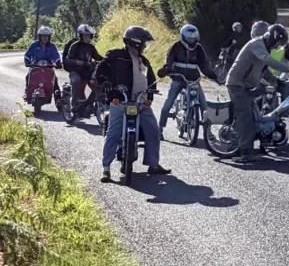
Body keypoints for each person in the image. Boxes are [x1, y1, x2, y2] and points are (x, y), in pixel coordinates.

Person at [96, 26, 170, 182]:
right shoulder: (115, 56)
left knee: (153, 130)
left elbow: (151, 80)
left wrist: (150, 96)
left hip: (140, 103)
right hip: (120, 101)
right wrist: (109, 89)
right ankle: (106, 168)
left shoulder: (144, 61)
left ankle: (153, 164)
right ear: (135, 43)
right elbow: (100, 71)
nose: (145, 46)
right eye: (143, 43)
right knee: (113, 133)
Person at [226, 24, 289, 162]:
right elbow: (268, 61)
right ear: (273, 38)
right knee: (246, 117)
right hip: (237, 84)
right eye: (278, 43)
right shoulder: (257, 44)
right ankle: (245, 154)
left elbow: (265, 70)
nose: (277, 47)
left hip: (246, 85)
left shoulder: (264, 48)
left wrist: (279, 81)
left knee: (256, 116)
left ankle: (242, 144)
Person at [157, 24, 218, 140]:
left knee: (204, 105)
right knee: (168, 103)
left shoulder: (199, 48)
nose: (191, 41)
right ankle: (160, 128)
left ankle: (208, 132)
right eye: (189, 38)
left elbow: (204, 64)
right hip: (178, 78)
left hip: (194, 80)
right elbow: (169, 60)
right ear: (183, 37)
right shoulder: (176, 46)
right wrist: (167, 69)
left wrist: (212, 74)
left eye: (193, 38)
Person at [64, 24, 103, 109]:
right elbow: (68, 59)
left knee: (98, 86)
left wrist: (105, 60)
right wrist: (78, 62)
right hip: (76, 71)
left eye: (89, 36)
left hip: (87, 71)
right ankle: (73, 105)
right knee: (76, 82)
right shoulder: (75, 46)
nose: (87, 37)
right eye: (85, 35)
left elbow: (97, 56)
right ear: (81, 36)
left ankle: (89, 104)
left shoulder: (91, 47)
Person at [23, 26, 62, 100]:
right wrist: (27, 61)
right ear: (40, 36)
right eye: (43, 36)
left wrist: (58, 63)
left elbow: (56, 55)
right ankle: (27, 92)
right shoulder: (34, 45)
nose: (45, 38)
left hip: (49, 66)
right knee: (28, 76)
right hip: (35, 66)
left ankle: (58, 100)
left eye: (47, 36)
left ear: (49, 37)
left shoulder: (52, 46)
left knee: (55, 80)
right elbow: (27, 54)